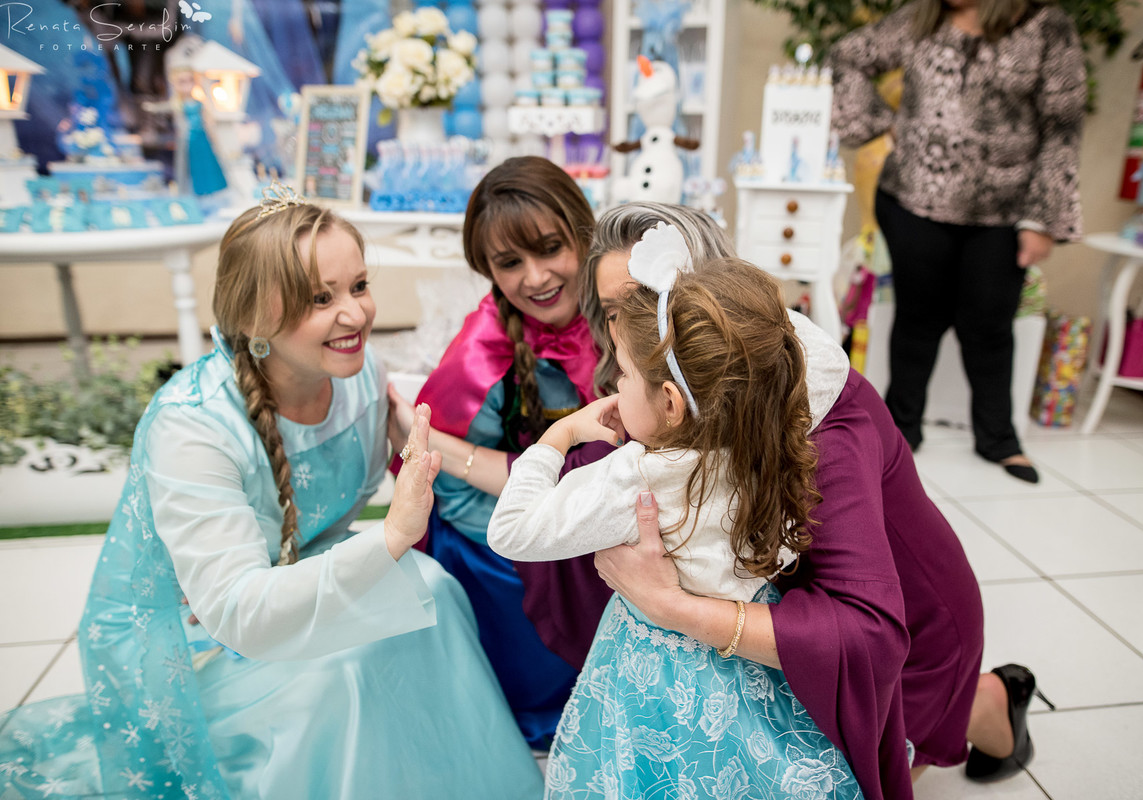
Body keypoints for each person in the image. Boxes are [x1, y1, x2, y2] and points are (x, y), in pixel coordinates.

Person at [0, 189, 544, 799]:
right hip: (193, 631)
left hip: (290, 577)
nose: (355, 314)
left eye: (358, 286)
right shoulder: (194, 426)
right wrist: (390, 535)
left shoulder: (359, 374)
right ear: (257, 317)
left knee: (434, 590)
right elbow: (238, 610)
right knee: (341, 674)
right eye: (321, 297)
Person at [525, 202, 1041, 800]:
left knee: (898, 743)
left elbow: (866, 630)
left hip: (904, 638)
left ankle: (997, 702)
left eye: (649, 299)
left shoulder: (812, 405)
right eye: (617, 311)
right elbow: (589, 480)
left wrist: (670, 606)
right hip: (801, 617)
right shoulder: (676, 384)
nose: (629, 330)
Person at [489, 242, 864, 798]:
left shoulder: (638, 477)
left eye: (622, 374)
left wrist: (559, 435)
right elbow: (826, 358)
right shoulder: (769, 440)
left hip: (655, 670)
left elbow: (511, 529)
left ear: (669, 402)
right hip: (745, 652)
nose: (612, 385)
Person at [393, 156, 609, 747]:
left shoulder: (624, 309)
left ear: (583, 234)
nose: (536, 277)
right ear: (487, 269)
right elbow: (443, 483)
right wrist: (550, 531)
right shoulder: (480, 358)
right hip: (520, 542)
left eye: (550, 248)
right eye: (510, 263)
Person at [830, 0, 1088, 483]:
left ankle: (998, 439)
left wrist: (1042, 218)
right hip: (912, 200)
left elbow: (1063, 126)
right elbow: (849, 55)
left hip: (1002, 213)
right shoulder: (920, 18)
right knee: (915, 322)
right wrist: (875, 122)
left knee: (989, 328)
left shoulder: (1046, 27)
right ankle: (900, 432)